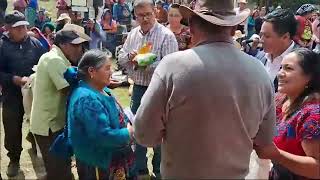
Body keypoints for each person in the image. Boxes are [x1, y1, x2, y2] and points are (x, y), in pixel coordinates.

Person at [133, 0, 276, 178]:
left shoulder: (172, 67)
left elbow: (144, 135)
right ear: (233, 29)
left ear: (191, 27)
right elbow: (264, 142)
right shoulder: (259, 72)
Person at [118, 0, 178, 178]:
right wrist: (129, 56)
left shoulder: (166, 36)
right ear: (135, 16)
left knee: (161, 130)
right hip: (138, 88)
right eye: (140, 15)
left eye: (148, 14)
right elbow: (121, 57)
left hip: (161, 90)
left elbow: (170, 65)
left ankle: (159, 171)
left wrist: (144, 62)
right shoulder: (133, 35)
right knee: (137, 129)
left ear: (156, 12)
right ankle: (140, 169)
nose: (144, 19)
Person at [30, 24, 91, 180]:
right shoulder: (54, 60)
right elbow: (69, 91)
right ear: (63, 45)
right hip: (48, 126)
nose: (80, 49)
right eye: (75, 45)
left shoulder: (59, 58)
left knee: (60, 168)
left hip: (53, 123)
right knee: (60, 172)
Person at [66, 49, 135, 179]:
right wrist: (128, 133)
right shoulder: (86, 99)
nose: (112, 72)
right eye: (107, 68)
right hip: (97, 162)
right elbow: (102, 136)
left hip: (110, 157)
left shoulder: (101, 89)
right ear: (91, 71)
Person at [255, 48, 320, 180]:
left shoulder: (313, 114)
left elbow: (317, 169)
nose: (280, 73)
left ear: (309, 77)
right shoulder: (279, 99)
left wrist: (278, 155)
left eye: (288, 68)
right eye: (281, 67)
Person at [0, 11, 46, 177]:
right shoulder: (2, 46)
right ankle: (14, 159)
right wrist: (14, 79)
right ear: (8, 28)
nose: (22, 29)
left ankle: (36, 145)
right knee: (12, 128)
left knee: (38, 122)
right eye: (18, 27)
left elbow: (45, 63)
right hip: (11, 95)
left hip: (34, 93)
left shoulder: (35, 43)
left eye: (24, 26)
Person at [252, 9, 299, 92]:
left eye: (267, 36)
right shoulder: (260, 56)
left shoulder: (303, 62)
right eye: (261, 34)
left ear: (285, 37)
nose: (261, 40)